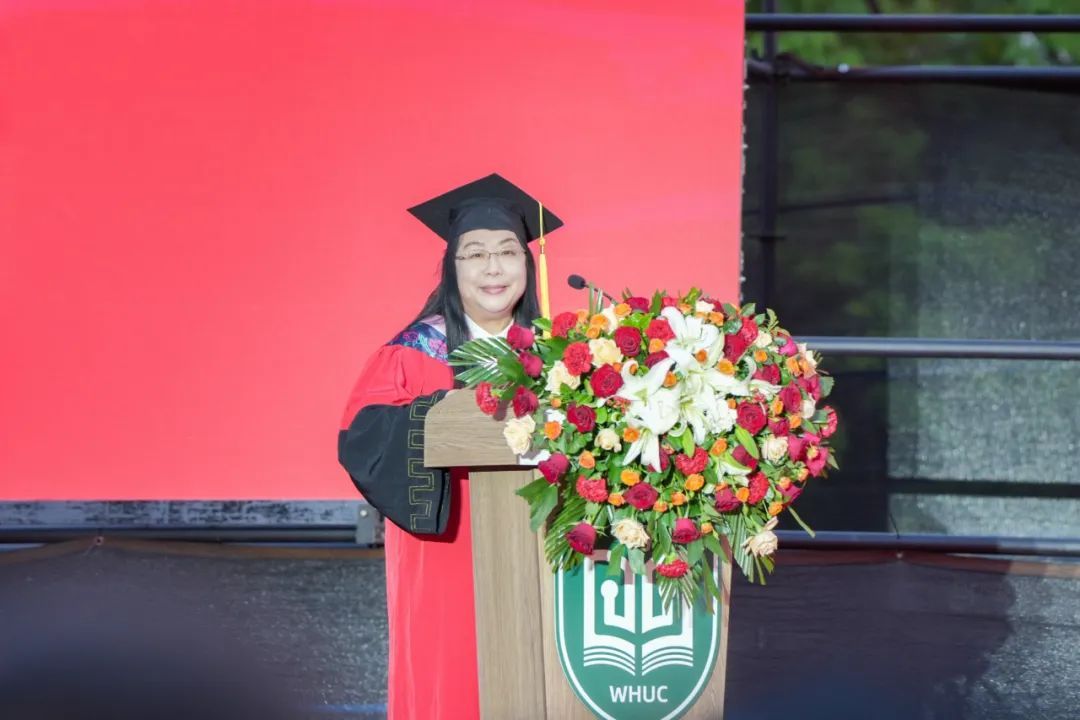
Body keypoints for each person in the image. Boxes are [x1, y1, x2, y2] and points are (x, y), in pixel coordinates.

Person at [337, 173, 562, 720]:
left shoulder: (561, 353)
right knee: (455, 679)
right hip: (449, 553)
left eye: (507, 252)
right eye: (475, 254)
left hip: (543, 554)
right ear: (452, 267)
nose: (493, 268)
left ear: (527, 264)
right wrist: (444, 416)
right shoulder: (415, 353)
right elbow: (363, 435)